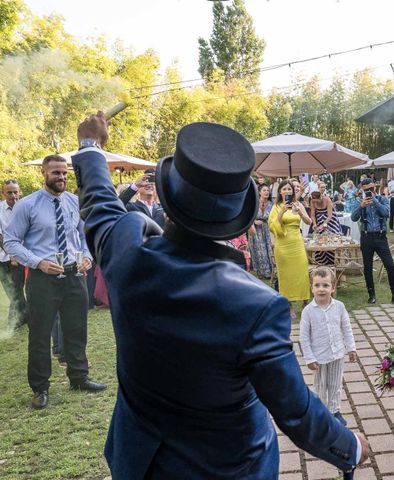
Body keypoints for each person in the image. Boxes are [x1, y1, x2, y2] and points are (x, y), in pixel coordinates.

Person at [72, 114, 369, 479]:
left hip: (142, 462)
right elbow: (296, 411)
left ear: (169, 194)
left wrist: (90, 146)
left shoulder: (127, 254)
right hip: (230, 469)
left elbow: (100, 206)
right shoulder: (258, 305)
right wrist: (351, 446)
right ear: (237, 213)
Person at [4, 154, 106, 410]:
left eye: (64, 173)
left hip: (74, 276)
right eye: (56, 173)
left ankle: (79, 377)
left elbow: (84, 238)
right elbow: (11, 241)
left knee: (76, 329)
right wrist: (38, 262)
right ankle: (40, 388)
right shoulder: (27, 205)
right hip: (42, 279)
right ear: (44, 173)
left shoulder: (74, 202)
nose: (61, 177)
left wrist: (86, 257)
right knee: (39, 334)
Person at [300, 267, 357, 427]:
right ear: (312, 288)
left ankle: (334, 410)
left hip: (337, 354)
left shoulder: (339, 307)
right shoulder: (308, 312)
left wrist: (351, 348)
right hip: (319, 358)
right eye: (317, 285)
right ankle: (321, 412)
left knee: (335, 384)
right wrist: (309, 358)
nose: (321, 289)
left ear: (333, 288)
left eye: (325, 285)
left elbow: (346, 328)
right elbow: (304, 337)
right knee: (320, 386)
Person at [351, 179, 394, 306]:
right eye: (366, 190)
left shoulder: (382, 199)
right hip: (366, 238)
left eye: (371, 189)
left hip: (381, 237)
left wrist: (374, 201)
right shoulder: (359, 201)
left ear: (374, 188)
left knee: (390, 266)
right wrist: (361, 206)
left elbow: (386, 212)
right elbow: (353, 218)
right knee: (368, 267)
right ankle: (371, 294)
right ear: (362, 190)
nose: (369, 192)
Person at [268, 180, 312, 319]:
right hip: (282, 245)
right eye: (284, 189)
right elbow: (273, 225)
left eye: (289, 189)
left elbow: (309, 221)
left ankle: (306, 302)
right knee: (285, 276)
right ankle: (289, 305)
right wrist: (282, 211)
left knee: (302, 272)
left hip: (297, 243)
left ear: (293, 191)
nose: (287, 191)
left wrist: (300, 212)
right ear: (280, 192)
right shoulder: (276, 207)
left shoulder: (297, 204)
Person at [0, 180, 28, 330]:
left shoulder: (25, 207)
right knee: (12, 291)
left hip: (23, 256)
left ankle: (15, 322)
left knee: (18, 288)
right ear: (3, 193)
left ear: (19, 192)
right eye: (9, 192)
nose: (13, 195)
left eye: (15, 192)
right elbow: (0, 236)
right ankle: (25, 317)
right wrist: (11, 254)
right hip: (4, 258)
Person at [310, 189, 342, 265]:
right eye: (314, 201)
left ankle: (334, 261)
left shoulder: (327, 200)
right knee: (320, 240)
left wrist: (324, 224)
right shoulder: (312, 202)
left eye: (316, 200)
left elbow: (330, 215)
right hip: (319, 221)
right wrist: (314, 224)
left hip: (330, 221)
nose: (315, 202)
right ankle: (322, 262)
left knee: (331, 240)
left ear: (320, 197)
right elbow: (313, 215)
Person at [248, 183, 274, 279]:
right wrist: (254, 221)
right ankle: (261, 273)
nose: (266, 192)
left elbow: (274, 217)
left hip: (268, 229)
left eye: (268, 190)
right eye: (264, 190)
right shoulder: (254, 203)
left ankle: (271, 272)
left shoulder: (272, 204)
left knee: (269, 249)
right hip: (256, 231)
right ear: (259, 192)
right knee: (259, 250)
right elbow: (248, 216)